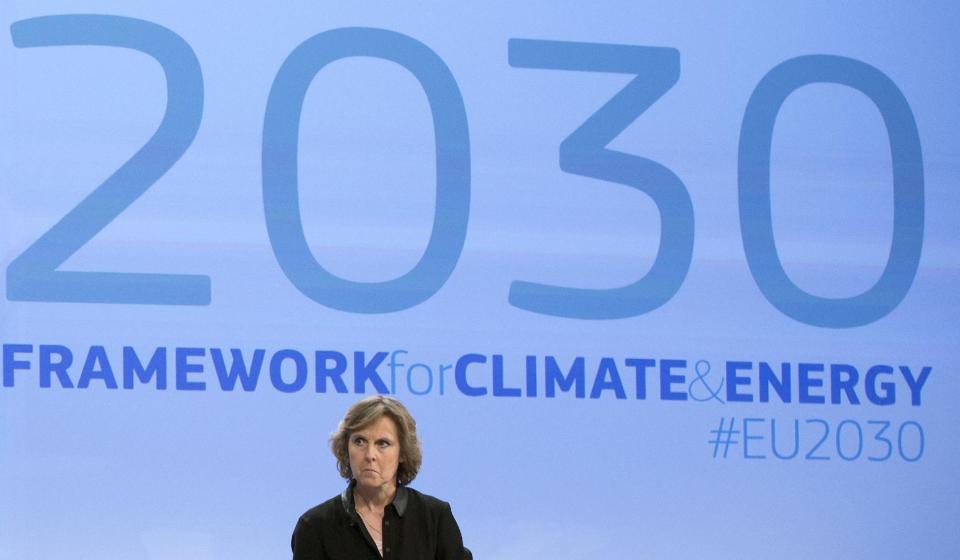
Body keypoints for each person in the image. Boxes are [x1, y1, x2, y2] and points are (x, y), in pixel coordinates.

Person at [291, 395, 472, 559]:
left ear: (402, 453)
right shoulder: (314, 526)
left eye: (383, 443)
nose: (370, 455)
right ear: (346, 448)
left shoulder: (435, 517)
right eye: (359, 441)